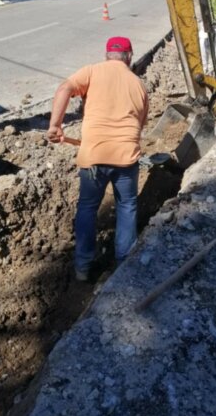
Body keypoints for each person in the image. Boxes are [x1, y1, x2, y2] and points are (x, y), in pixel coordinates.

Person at [47, 36, 149, 281]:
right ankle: (124, 264)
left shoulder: (91, 72)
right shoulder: (139, 84)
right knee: (126, 206)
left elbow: (64, 89)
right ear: (130, 57)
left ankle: (83, 267)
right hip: (126, 159)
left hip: (93, 157)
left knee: (88, 208)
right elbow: (141, 124)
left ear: (107, 56)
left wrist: (55, 125)